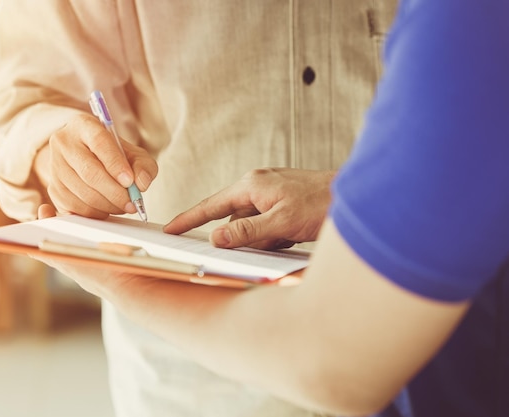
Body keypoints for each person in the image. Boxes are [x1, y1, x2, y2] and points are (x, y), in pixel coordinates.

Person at [33, 0, 509, 416]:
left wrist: (123, 282)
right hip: (199, 384)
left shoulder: (466, 20)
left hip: (418, 356)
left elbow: (332, 361)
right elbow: (23, 86)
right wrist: (359, 194)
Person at [0, 1, 398, 416]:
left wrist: (127, 287)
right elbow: (14, 90)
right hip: (192, 375)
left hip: (410, 345)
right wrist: (56, 153)